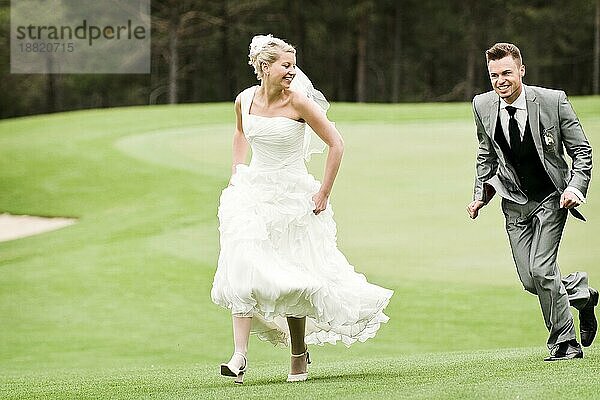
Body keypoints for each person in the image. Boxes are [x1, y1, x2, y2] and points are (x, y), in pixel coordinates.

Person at [211, 34, 393, 383]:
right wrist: (237, 172)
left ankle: (298, 354)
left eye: (293, 65)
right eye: (285, 65)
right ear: (265, 67)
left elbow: (336, 144)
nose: (292, 71)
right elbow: (240, 135)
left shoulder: (299, 104)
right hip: (253, 194)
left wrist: (324, 192)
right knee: (241, 264)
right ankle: (239, 356)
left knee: (293, 277)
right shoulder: (244, 100)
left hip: (293, 197)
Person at [467, 42, 597, 361]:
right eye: (494, 75)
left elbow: (582, 151)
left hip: (552, 198)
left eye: (507, 73)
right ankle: (581, 292)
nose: (500, 80)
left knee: (541, 270)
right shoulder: (482, 105)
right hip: (513, 204)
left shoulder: (554, 101)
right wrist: (479, 196)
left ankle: (564, 342)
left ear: (521, 70)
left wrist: (575, 189)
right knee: (531, 281)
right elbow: (487, 154)